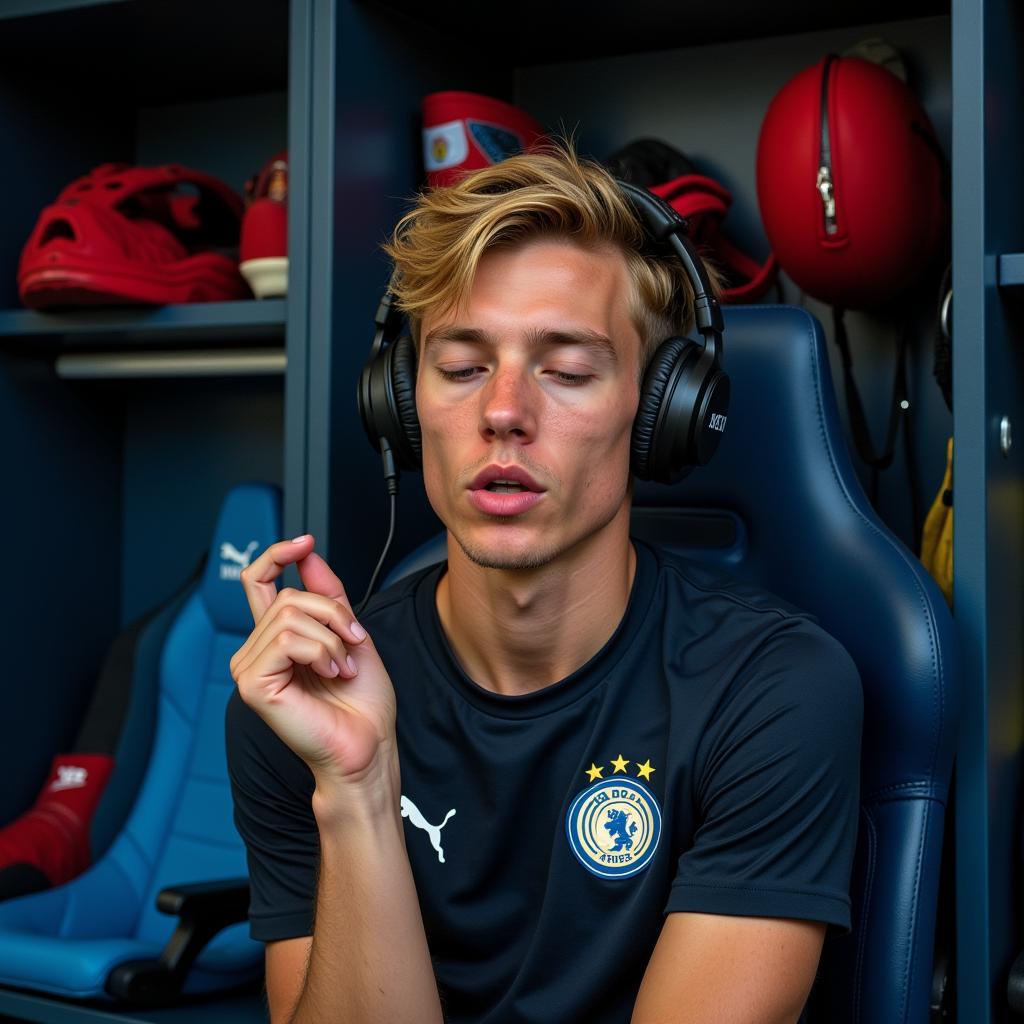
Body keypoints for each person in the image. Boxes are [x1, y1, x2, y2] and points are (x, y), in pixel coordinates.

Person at [226, 143, 863, 1024]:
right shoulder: (309, 706)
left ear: (661, 415)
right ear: (402, 408)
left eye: (566, 369)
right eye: (461, 367)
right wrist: (357, 789)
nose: (504, 412)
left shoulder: (776, 690)